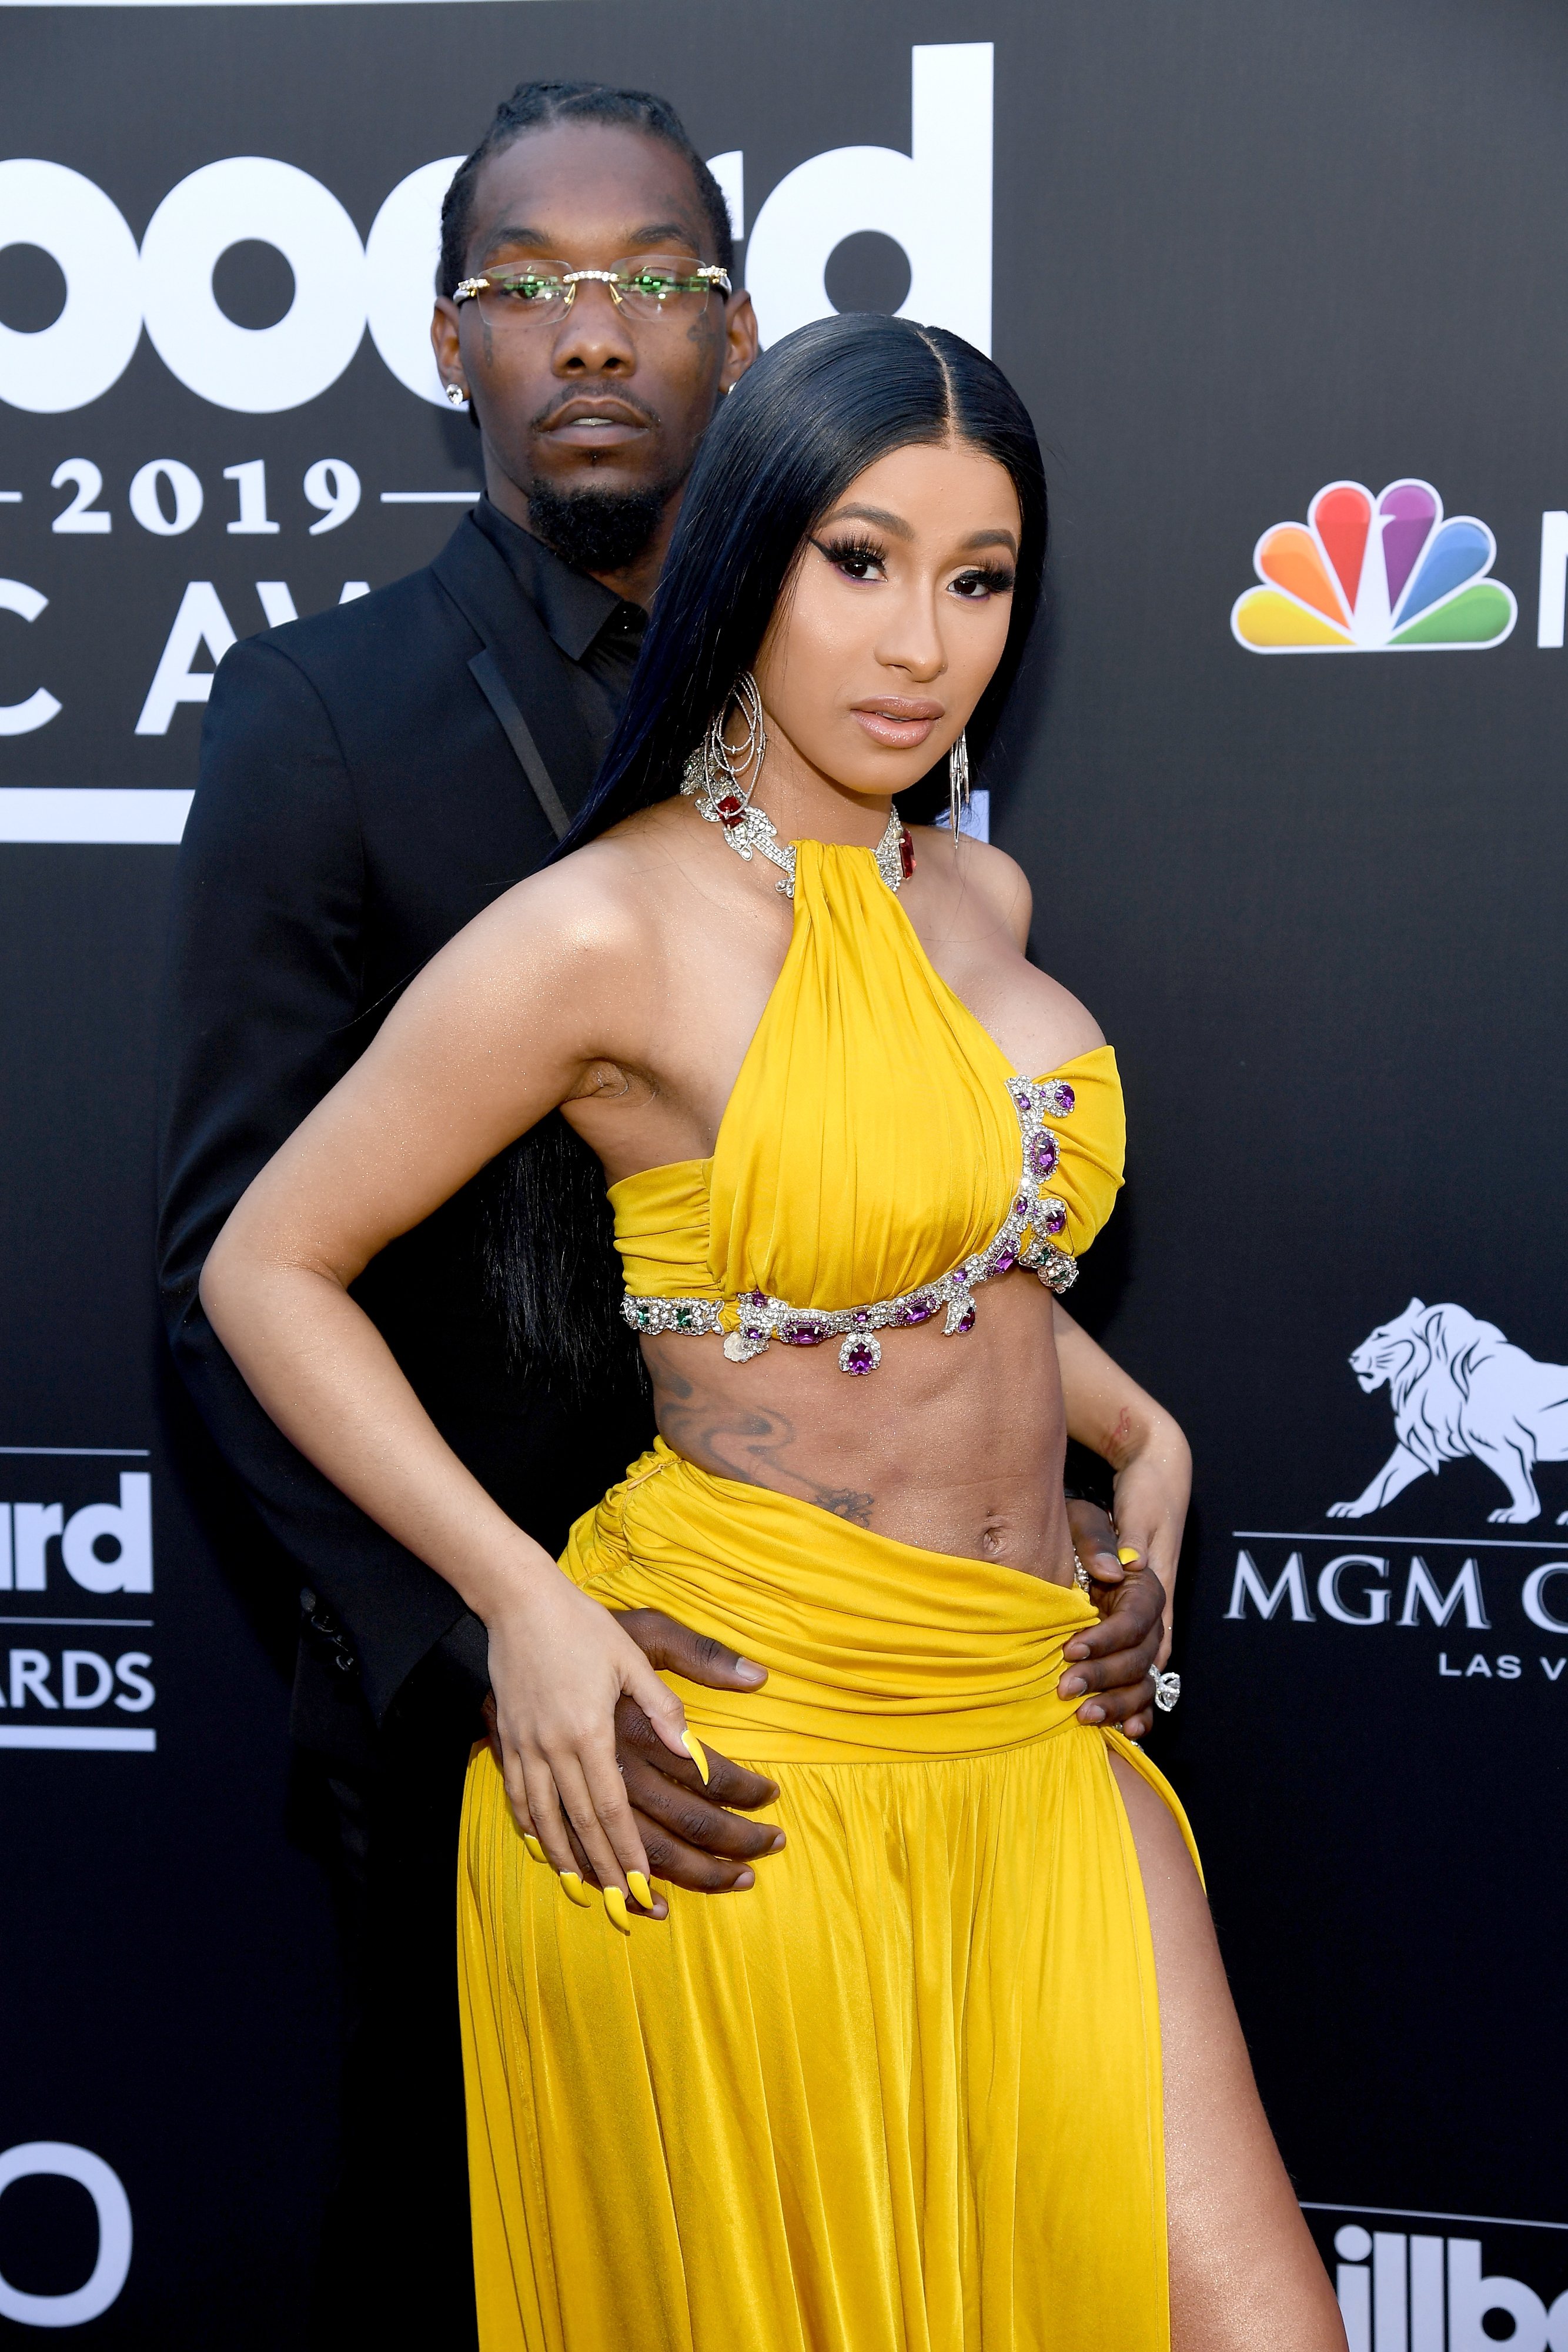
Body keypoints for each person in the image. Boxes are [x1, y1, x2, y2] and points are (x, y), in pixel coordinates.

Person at [196, 313, 1339, 2351]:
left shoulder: (974, 899)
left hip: (1028, 1723)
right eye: (860, 562)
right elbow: (265, 1266)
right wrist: (519, 1605)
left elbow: (926, 1269)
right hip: (747, 1749)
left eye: (979, 580)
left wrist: (1150, 1459)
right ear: (746, 561)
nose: (924, 643)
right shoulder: (597, 930)